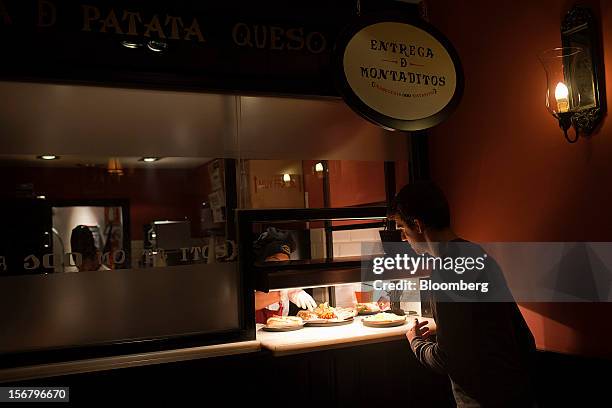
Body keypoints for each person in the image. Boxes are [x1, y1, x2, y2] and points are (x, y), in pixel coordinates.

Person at [388, 181, 536, 408]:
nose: (404, 238)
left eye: (402, 229)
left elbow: (447, 359)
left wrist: (416, 343)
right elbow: (520, 334)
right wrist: (446, 327)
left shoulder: (445, 271)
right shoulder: (477, 254)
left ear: (417, 225)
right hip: (517, 392)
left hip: (482, 399)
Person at [253, 227, 316, 324]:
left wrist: (288, 291)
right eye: (275, 261)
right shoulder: (252, 280)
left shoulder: (283, 287)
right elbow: (249, 305)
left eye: (285, 263)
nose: (280, 267)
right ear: (263, 261)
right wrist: (284, 293)